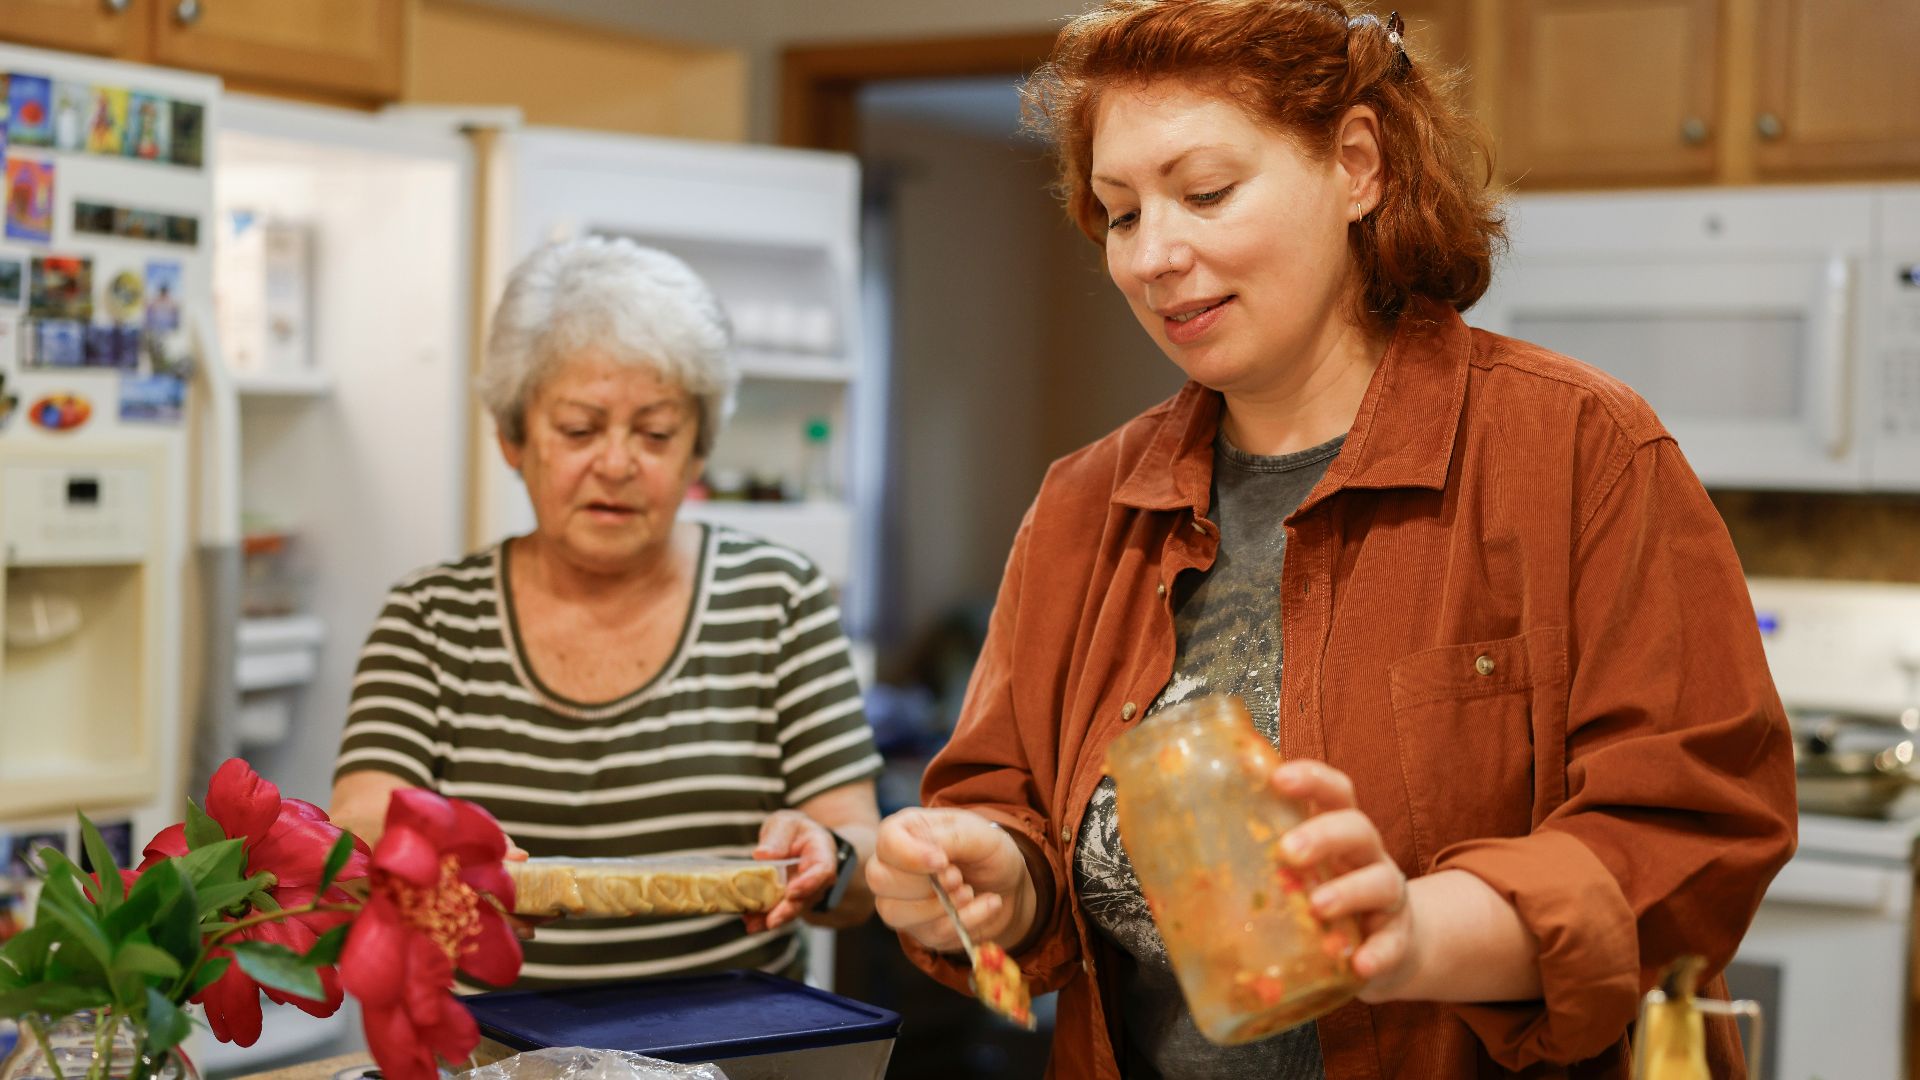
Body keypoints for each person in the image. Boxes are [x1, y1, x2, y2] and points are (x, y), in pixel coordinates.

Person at [866, 3, 1797, 1077]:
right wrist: (993, 871)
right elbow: (1008, 806)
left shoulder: (1581, 449)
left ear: (1356, 165)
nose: (1153, 255)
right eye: (1121, 214)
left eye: (1205, 192)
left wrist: (1418, 930)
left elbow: (1695, 832)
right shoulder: (1087, 505)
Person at [331, 237, 883, 988]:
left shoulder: (777, 599)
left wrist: (828, 852)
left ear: (697, 455)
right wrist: (431, 860)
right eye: (581, 429)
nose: (619, 464)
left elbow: (858, 863)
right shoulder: (431, 618)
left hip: (727, 1053)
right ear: (513, 438)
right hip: (495, 1057)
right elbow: (358, 829)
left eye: (656, 434)